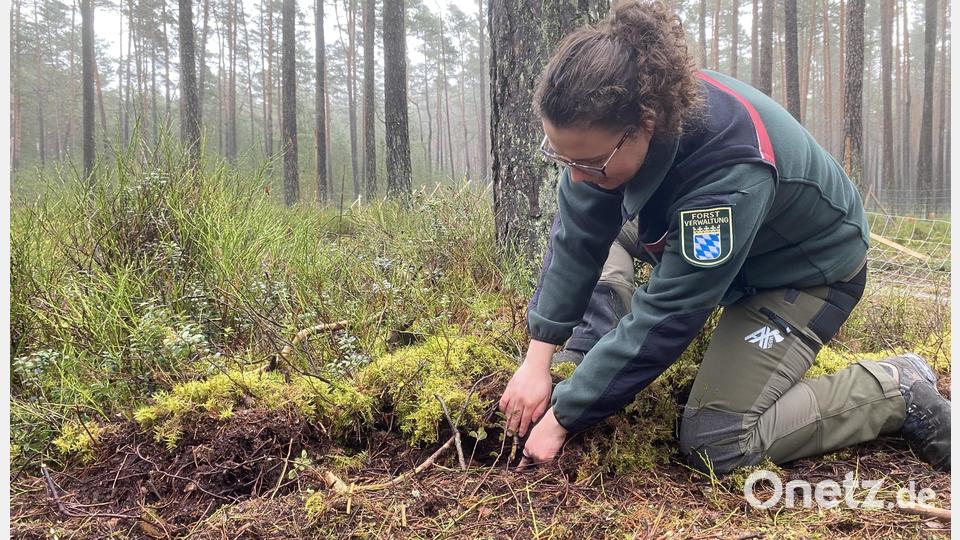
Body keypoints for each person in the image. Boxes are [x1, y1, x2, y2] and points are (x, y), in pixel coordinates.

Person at [498, 0, 950, 475]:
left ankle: (894, 388)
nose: (577, 175)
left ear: (645, 125)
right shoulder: (605, 139)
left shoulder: (728, 173)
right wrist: (538, 359)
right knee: (603, 234)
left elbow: (670, 314)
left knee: (717, 442)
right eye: (563, 157)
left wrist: (567, 415)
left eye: (588, 162)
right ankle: (587, 352)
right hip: (716, 236)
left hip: (805, 271)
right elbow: (577, 239)